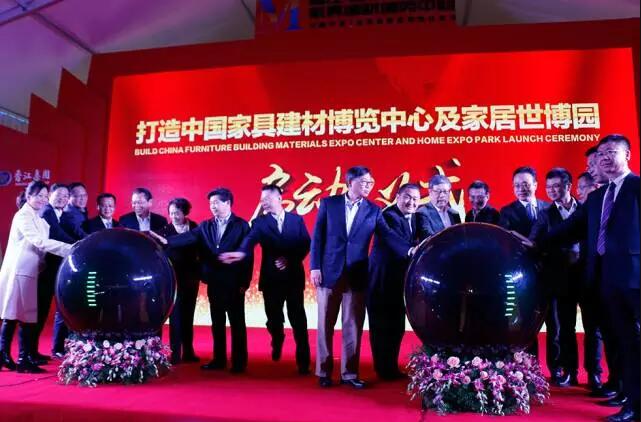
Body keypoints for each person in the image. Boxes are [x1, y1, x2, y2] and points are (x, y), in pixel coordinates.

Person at [534, 135, 639, 422]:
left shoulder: (637, 187)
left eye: (611, 152)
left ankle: (635, 404)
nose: (604, 158)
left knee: (636, 342)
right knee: (622, 342)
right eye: (601, 154)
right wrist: (533, 244)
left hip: (634, 281)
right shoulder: (596, 198)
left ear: (627, 155)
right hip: (605, 282)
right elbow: (568, 230)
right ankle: (628, 396)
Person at [310, 166, 413, 389]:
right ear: (350, 182)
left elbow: (389, 235)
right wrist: (314, 267)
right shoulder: (329, 204)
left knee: (353, 325)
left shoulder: (374, 210)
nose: (368, 186)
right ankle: (324, 371)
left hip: (356, 275)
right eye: (364, 182)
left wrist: (409, 250)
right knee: (325, 323)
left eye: (370, 182)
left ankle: (349, 374)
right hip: (328, 271)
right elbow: (317, 237)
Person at [152, 188, 253, 373]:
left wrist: (244, 282)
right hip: (215, 281)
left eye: (216, 203)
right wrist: (167, 242)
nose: (212, 206)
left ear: (227, 203)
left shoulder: (241, 225)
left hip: (234, 282)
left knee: (237, 323)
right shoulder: (206, 225)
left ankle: (239, 362)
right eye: (211, 203)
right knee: (217, 323)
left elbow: (248, 255)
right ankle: (219, 359)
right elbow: (189, 237)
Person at [221, 184, 311, 374]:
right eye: (262, 201)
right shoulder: (260, 223)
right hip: (271, 280)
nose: (264, 203)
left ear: (279, 199)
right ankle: (277, 338)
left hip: (293, 277)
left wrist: (290, 259)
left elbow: (305, 244)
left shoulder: (296, 220)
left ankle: (303, 362)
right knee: (274, 319)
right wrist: (241, 253)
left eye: (267, 200)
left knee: (298, 319)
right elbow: (250, 240)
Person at [0, 181, 73, 373]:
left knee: (18, 315)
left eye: (45, 196)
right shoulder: (23, 216)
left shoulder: (39, 218)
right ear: (29, 196)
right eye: (39, 195)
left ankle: (7, 356)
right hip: (20, 271)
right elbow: (39, 242)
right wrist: (70, 248)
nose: (42, 199)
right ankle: (20, 359)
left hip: (32, 271)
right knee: (18, 315)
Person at [531, 168, 584, 387]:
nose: (552, 190)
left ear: (568, 186)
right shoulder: (545, 214)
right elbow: (535, 240)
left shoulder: (584, 208)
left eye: (557, 186)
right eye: (549, 187)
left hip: (587, 275)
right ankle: (569, 370)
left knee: (595, 329)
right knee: (565, 326)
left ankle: (596, 374)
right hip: (561, 278)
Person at [367, 183, 422, 380]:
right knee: (381, 326)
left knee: (396, 326)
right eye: (407, 197)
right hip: (381, 280)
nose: (411, 202)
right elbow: (394, 240)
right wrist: (412, 249)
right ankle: (383, 368)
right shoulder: (388, 216)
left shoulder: (415, 217)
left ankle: (390, 367)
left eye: (415, 199)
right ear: (398, 196)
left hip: (399, 282)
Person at [500, 166, 549, 359]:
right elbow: (507, 241)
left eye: (526, 184)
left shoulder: (548, 208)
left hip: (549, 272)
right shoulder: (507, 212)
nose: (521, 188)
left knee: (554, 323)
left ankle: (557, 368)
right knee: (522, 321)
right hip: (521, 276)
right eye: (517, 185)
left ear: (535, 185)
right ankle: (524, 363)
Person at [34, 183, 74, 363]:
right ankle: (30, 352)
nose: (62, 198)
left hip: (55, 269)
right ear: (50, 195)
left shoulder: (63, 214)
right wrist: (78, 245)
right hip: (45, 269)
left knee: (51, 312)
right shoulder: (47, 211)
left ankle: (38, 351)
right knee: (39, 312)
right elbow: (57, 235)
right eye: (59, 195)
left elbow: (73, 231)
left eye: (66, 196)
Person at [157, 198, 200, 364]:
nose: (174, 216)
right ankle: (175, 353)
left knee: (189, 315)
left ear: (185, 213)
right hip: (173, 279)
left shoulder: (195, 227)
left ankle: (188, 351)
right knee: (175, 317)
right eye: (171, 213)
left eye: (177, 213)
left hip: (192, 278)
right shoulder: (164, 231)